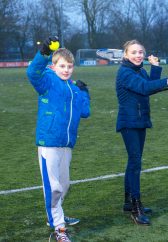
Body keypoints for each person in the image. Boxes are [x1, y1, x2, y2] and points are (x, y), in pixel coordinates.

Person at [26, 36, 90, 242]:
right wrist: (44, 52)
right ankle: (59, 227)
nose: (66, 69)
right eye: (62, 65)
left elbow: (85, 112)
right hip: (49, 142)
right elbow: (32, 72)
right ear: (54, 66)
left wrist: (84, 92)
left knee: (64, 184)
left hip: (67, 144)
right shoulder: (47, 80)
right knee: (53, 186)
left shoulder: (73, 89)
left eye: (70, 66)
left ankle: (56, 214)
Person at [115, 39, 168, 225]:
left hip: (140, 121)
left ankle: (128, 202)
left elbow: (151, 87)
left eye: (140, 52)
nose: (138, 55)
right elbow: (144, 87)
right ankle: (136, 206)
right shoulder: (125, 72)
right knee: (135, 163)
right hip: (129, 122)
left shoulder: (140, 70)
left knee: (133, 161)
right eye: (134, 52)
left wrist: (156, 68)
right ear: (125, 55)